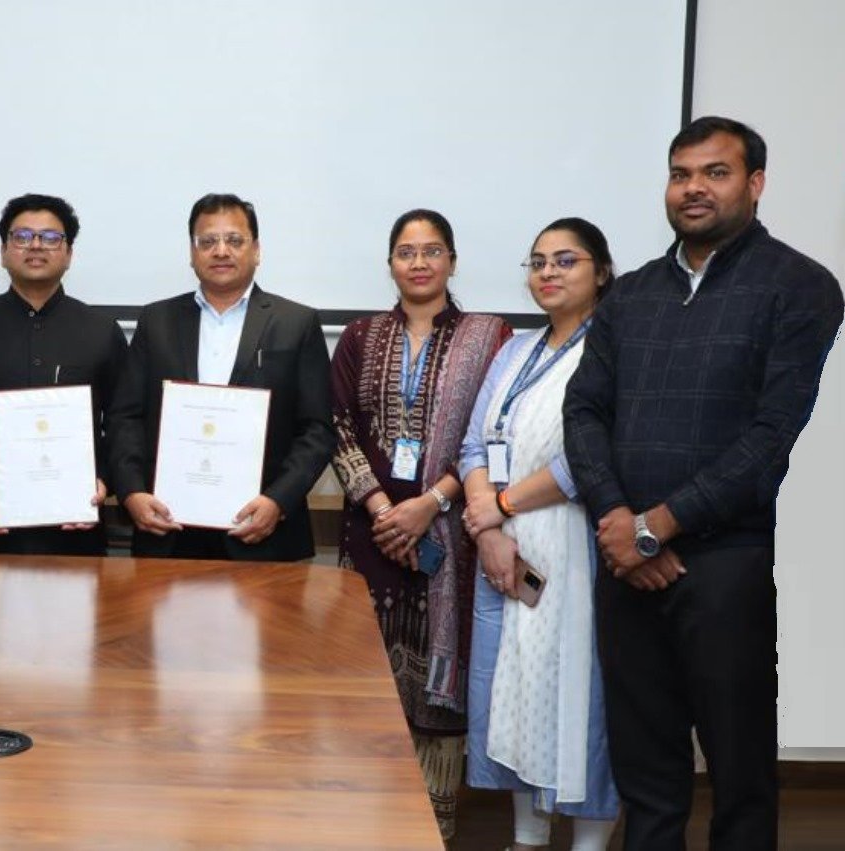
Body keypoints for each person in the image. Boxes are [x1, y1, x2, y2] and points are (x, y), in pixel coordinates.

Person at [564, 117, 843, 849]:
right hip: (625, 562)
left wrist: (659, 524)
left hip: (724, 565)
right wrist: (618, 519)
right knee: (646, 776)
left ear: (755, 183)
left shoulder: (800, 286)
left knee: (739, 773)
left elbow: (770, 438)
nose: (694, 188)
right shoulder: (630, 294)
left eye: (715, 173)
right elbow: (584, 410)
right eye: (681, 173)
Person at [329, 208, 511, 840]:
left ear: (452, 261)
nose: (419, 263)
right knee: (368, 682)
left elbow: (493, 432)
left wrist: (430, 502)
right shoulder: (360, 336)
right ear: (391, 264)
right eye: (406, 252)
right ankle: (366, 822)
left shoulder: (490, 337)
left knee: (439, 690)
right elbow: (338, 427)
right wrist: (384, 510)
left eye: (432, 251)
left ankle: (431, 830)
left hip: (451, 535)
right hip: (371, 537)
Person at [460, 218, 620, 850]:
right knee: (516, 689)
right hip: (505, 546)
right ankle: (526, 837)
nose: (548, 272)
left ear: (601, 272)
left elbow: (589, 459)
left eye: (565, 260)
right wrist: (488, 528)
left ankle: (588, 843)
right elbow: (474, 445)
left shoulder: (615, 350)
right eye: (537, 261)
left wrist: (499, 506)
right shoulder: (514, 351)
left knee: (582, 698)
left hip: (579, 545)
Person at [107, 193, 334, 561]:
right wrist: (132, 492)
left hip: (262, 532)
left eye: (234, 240)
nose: (221, 251)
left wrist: (278, 501)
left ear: (256, 250)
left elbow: (317, 430)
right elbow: (125, 417)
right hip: (168, 529)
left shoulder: (297, 323)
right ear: (192, 252)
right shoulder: (156, 321)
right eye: (208, 241)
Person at [0, 194, 127, 555]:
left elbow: (124, 421)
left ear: (69, 254)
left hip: (78, 527)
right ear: (3, 251)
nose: (36, 245)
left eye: (51, 237)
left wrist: (103, 479)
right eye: (23, 236)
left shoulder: (102, 330)